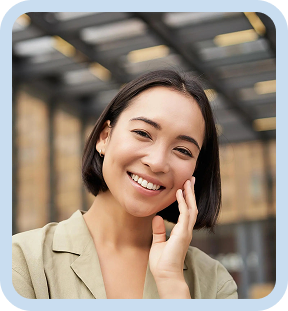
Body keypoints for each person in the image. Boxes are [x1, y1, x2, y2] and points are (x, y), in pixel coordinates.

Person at [12, 69, 238, 299]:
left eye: (182, 150)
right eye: (142, 133)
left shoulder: (215, 284)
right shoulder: (21, 261)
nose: (158, 162)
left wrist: (172, 282)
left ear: (195, 171)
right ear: (104, 137)